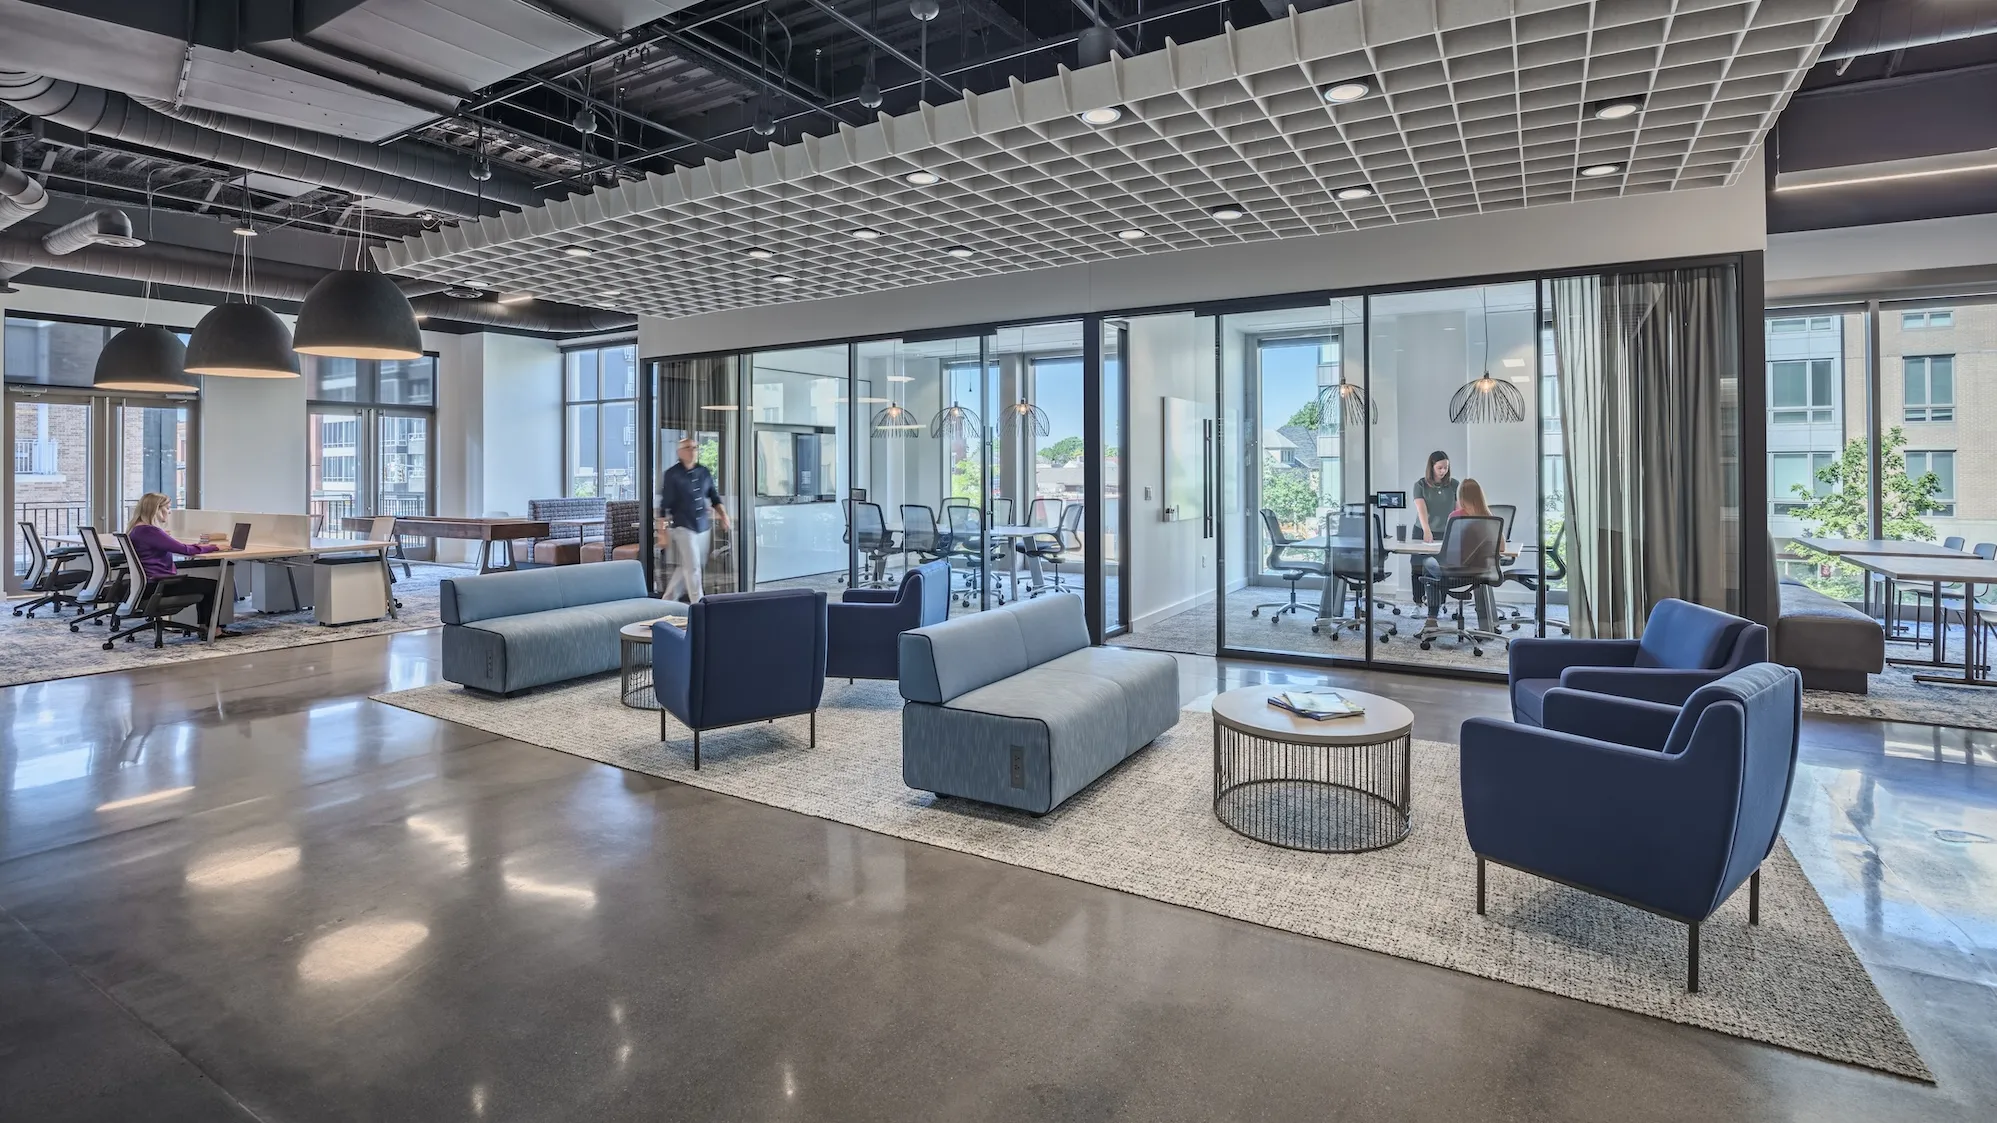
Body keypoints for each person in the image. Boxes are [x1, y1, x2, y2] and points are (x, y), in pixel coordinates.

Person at [125, 492, 232, 635]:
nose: (169, 512)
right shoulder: (150, 531)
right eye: (167, 508)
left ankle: (206, 628)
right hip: (159, 585)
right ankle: (213, 630)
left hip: (146, 585)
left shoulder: (137, 529)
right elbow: (185, 550)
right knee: (213, 586)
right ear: (157, 509)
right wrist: (215, 547)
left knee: (205, 584)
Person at [659, 437, 729, 603]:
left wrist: (724, 516)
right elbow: (664, 505)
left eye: (695, 447)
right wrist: (662, 532)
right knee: (694, 568)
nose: (693, 451)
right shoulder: (672, 474)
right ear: (680, 452)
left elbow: (714, 496)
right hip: (683, 526)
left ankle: (666, 601)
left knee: (688, 566)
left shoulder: (703, 472)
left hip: (703, 526)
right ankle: (699, 606)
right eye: (689, 448)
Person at [1423, 476, 1498, 631]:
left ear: (1460, 497)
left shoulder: (1455, 516)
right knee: (1434, 570)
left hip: (1455, 572)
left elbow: (1447, 548)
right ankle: (1487, 623)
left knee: (1427, 564)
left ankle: (1432, 617)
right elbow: (1501, 546)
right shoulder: (1488, 517)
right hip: (1481, 572)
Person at [1408, 450, 1458, 607]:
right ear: (1432, 467)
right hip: (1422, 530)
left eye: (1446, 467)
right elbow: (1421, 509)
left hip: (1445, 532)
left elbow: (1458, 510)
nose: (1443, 471)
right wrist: (1426, 530)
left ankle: (1440, 603)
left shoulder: (1454, 484)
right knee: (1417, 566)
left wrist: (1457, 531)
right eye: (1440, 468)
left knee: (1441, 568)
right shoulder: (1420, 485)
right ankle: (1418, 603)